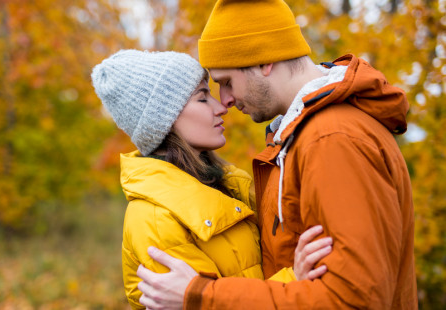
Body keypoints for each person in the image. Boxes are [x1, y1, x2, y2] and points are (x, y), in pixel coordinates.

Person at [136, 0, 417, 309]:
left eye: (226, 82)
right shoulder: (302, 136)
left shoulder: (332, 139)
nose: (225, 100)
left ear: (263, 62)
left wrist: (203, 296)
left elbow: (354, 300)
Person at [91, 50, 333, 309]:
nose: (221, 108)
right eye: (202, 98)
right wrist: (294, 280)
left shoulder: (229, 185)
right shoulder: (155, 219)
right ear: (165, 119)